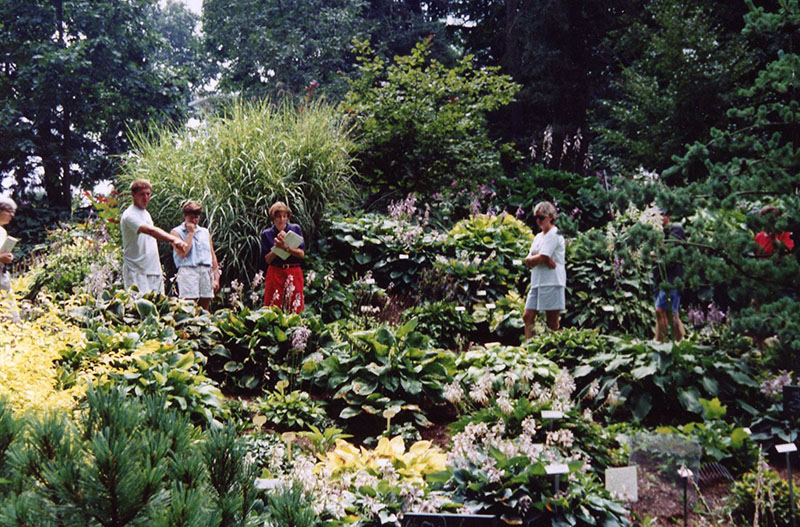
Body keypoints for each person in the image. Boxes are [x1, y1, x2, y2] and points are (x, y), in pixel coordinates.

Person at [120, 179, 187, 294]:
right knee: (138, 309)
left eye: (148, 194)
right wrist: (174, 239)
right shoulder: (129, 215)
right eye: (142, 194)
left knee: (158, 308)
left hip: (153, 270)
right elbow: (150, 231)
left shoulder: (146, 214)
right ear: (133, 194)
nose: (146, 198)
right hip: (136, 272)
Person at [523, 201, 566, 337]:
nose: (538, 220)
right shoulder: (538, 237)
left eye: (541, 217)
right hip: (537, 282)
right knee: (527, 317)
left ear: (551, 217)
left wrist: (542, 257)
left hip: (552, 282)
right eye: (536, 217)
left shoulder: (555, 234)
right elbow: (529, 260)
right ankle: (529, 349)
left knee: (552, 323)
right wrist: (542, 258)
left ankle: (555, 352)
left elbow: (541, 257)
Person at [171, 200, 220, 310]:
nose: (194, 221)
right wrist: (190, 233)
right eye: (191, 217)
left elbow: (212, 255)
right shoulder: (176, 232)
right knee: (188, 306)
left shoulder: (205, 232)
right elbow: (183, 253)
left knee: (205, 305)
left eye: (196, 217)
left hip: (205, 271)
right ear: (185, 215)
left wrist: (216, 278)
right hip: (188, 270)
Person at [260, 201, 305, 312]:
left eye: (284, 216)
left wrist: (286, 247)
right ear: (273, 218)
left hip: (293, 270)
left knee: (295, 307)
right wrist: (277, 247)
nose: (282, 220)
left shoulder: (295, 229)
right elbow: (267, 259)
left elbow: (302, 254)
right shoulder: (267, 234)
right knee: (272, 305)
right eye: (278, 217)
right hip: (275, 272)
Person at [654, 209, 686, 342]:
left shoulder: (676, 229)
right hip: (660, 279)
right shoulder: (656, 232)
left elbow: (671, 252)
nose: (659, 218)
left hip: (673, 279)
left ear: (668, 216)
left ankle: (659, 342)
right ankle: (679, 342)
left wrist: (654, 252)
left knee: (662, 311)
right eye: (655, 215)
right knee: (668, 313)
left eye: (662, 214)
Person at [0, 196, 20, 322]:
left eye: (13, 212)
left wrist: (6, 256)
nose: (12, 215)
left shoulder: (2, 231)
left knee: (12, 316)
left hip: (1, 275)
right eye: (9, 211)